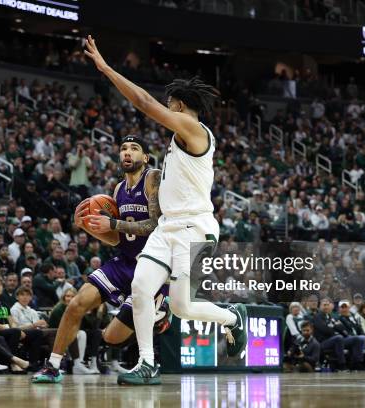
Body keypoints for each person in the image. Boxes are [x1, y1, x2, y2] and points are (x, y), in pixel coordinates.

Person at [82, 35, 245, 385]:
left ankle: (233, 318)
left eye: (169, 105)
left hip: (194, 229)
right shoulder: (177, 139)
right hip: (166, 228)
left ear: (180, 106)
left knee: (183, 307)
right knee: (141, 288)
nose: (165, 110)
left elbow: (142, 101)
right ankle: (147, 362)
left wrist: (107, 69)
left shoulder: (194, 130)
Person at [33, 136, 169, 383]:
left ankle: (156, 328)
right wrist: (88, 227)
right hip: (126, 261)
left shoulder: (153, 178)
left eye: (134, 149)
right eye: (124, 149)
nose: (127, 152)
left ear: (145, 158)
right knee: (76, 304)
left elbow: (155, 224)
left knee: (111, 337)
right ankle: (53, 367)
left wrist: (112, 223)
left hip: (153, 267)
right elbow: (119, 238)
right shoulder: (118, 190)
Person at [0, 275, 46, 369]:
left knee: (37, 333)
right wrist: (15, 329)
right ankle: (13, 363)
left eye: (0, 285)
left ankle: (33, 364)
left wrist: (16, 328)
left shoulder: (4, 304)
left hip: (9, 330)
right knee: (15, 332)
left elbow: (12, 322)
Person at [337, 300, 365, 370]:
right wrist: (364, 338)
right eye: (342, 308)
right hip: (346, 339)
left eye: (346, 307)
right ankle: (358, 362)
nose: (344, 309)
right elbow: (344, 332)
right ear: (339, 309)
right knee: (360, 338)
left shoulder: (352, 318)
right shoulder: (338, 319)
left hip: (359, 338)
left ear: (349, 308)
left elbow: (359, 329)